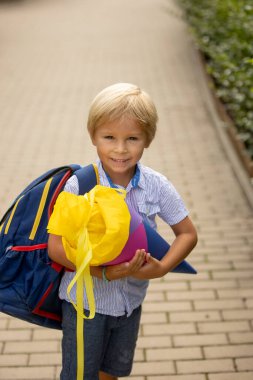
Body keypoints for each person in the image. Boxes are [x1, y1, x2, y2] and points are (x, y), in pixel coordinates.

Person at [48, 83, 198, 380]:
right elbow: (56, 249)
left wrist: (162, 268)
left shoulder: (156, 185)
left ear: (147, 139)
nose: (120, 149)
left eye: (132, 138)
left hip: (130, 303)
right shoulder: (80, 185)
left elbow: (187, 234)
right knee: (80, 375)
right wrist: (103, 273)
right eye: (109, 137)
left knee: (110, 373)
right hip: (86, 306)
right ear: (93, 136)